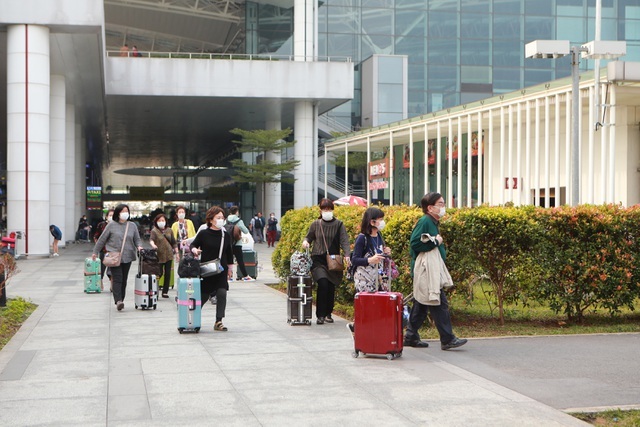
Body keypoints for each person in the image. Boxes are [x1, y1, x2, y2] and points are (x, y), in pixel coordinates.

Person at [403, 192, 467, 350]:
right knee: (438, 302)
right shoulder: (425, 221)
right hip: (426, 271)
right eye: (440, 204)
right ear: (430, 207)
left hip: (430, 270)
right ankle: (447, 339)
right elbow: (415, 244)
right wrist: (435, 242)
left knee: (422, 304)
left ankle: (410, 336)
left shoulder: (432, 221)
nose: (443, 207)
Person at [302, 198, 351, 325]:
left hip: (333, 260)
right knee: (323, 284)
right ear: (320, 210)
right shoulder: (316, 224)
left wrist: (347, 255)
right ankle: (320, 315)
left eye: (329, 209)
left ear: (333, 210)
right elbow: (309, 236)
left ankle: (329, 313)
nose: (327, 211)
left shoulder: (339, 224)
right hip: (318, 259)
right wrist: (306, 241)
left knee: (330, 287)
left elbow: (344, 240)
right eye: (324, 209)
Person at [346, 207, 392, 335]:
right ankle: (360, 331)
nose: (382, 222)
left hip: (378, 277)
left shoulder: (379, 235)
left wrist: (386, 252)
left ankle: (364, 330)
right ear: (372, 222)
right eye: (380, 219)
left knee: (377, 306)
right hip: (364, 278)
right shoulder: (362, 238)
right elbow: (354, 259)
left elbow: (379, 254)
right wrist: (370, 260)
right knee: (366, 305)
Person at [190, 206, 235, 332]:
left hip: (221, 269)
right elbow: (193, 244)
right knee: (204, 296)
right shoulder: (204, 233)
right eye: (218, 218)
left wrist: (230, 269)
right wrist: (195, 250)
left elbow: (229, 253)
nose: (221, 220)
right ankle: (192, 317)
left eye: (222, 217)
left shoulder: (225, 235)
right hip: (207, 270)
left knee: (222, 293)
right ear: (211, 219)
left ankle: (219, 321)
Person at [92, 204, 143, 311]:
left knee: (124, 279)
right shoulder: (111, 225)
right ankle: (118, 300)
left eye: (127, 211)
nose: (125, 213)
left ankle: (121, 299)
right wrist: (95, 252)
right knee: (118, 278)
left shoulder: (132, 226)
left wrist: (139, 246)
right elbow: (102, 239)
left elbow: (137, 239)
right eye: (123, 211)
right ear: (118, 213)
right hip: (114, 256)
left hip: (128, 256)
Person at [149, 213, 178, 298]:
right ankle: (155, 289)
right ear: (156, 222)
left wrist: (176, 252)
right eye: (159, 220)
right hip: (159, 255)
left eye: (163, 220)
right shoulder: (154, 231)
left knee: (168, 273)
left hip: (169, 255)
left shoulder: (169, 230)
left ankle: (165, 292)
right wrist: (153, 245)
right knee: (159, 273)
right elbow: (151, 239)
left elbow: (173, 242)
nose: (161, 222)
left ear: (166, 221)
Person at [227, 206, 255, 281]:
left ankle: (229, 277)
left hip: (227, 243)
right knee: (240, 260)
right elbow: (246, 231)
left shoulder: (225, 220)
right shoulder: (239, 221)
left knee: (228, 260)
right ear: (237, 212)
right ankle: (245, 276)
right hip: (237, 243)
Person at [93, 209, 114, 291]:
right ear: (106, 216)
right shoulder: (102, 225)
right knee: (102, 268)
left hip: (113, 251)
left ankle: (112, 285)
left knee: (113, 269)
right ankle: (100, 282)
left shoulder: (117, 225)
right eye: (110, 215)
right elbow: (96, 236)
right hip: (103, 250)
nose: (112, 217)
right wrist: (97, 246)